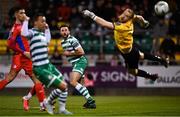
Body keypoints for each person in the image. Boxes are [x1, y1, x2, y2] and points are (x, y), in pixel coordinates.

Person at [82, 8, 169, 81]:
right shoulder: (131, 18)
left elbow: (105, 24)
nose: (124, 16)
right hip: (129, 46)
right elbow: (138, 17)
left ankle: (152, 73)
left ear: (129, 19)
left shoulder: (123, 27)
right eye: (124, 13)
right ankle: (161, 62)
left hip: (129, 52)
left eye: (126, 16)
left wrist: (91, 15)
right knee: (140, 57)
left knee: (134, 69)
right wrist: (144, 22)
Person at [21, 14, 72, 115]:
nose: (44, 23)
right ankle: (48, 102)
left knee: (64, 86)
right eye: (42, 21)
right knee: (63, 86)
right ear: (36, 22)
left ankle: (61, 109)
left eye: (45, 21)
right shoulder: (32, 32)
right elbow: (24, 34)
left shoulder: (42, 34)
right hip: (40, 68)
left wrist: (47, 30)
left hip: (48, 65)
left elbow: (48, 42)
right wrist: (26, 20)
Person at [0, 6, 46, 111]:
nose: (24, 15)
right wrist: (24, 52)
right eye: (21, 13)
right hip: (21, 56)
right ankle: (42, 103)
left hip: (25, 57)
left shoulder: (21, 26)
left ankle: (33, 100)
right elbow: (9, 44)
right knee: (36, 80)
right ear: (16, 15)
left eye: (24, 13)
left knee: (37, 80)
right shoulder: (16, 28)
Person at [59, 24, 96, 108]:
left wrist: (69, 53)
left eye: (66, 30)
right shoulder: (62, 42)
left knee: (73, 82)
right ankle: (89, 102)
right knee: (81, 85)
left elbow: (81, 52)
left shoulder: (72, 40)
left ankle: (90, 101)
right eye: (62, 30)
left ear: (69, 31)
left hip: (80, 61)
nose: (64, 32)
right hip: (75, 63)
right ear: (60, 32)